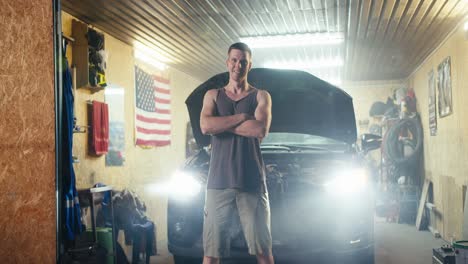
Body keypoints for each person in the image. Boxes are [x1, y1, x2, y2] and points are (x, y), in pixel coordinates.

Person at [200, 42, 274, 264]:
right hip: (218, 183)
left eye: (243, 61)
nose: (238, 65)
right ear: (227, 62)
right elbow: (205, 126)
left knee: (264, 251)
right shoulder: (212, 95)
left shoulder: (261, 96)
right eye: (234, 60)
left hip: (251, 182)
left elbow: (260, 129)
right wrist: (242, 117)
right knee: (211, 253)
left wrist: (220, 124)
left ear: (249, 65)